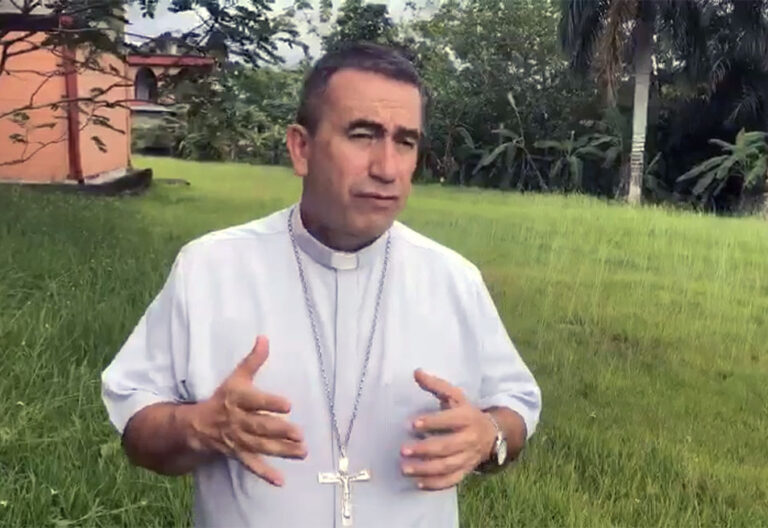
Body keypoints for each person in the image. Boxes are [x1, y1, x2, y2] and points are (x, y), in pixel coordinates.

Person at [101, 42, 542, 528]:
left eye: (405, 142)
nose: (387, 168)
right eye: (362, 135)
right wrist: (197, 427)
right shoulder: (210, 268)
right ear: (301, 148)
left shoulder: (454, 280)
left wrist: (489, 436)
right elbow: (136, 424)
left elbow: (515, 407)